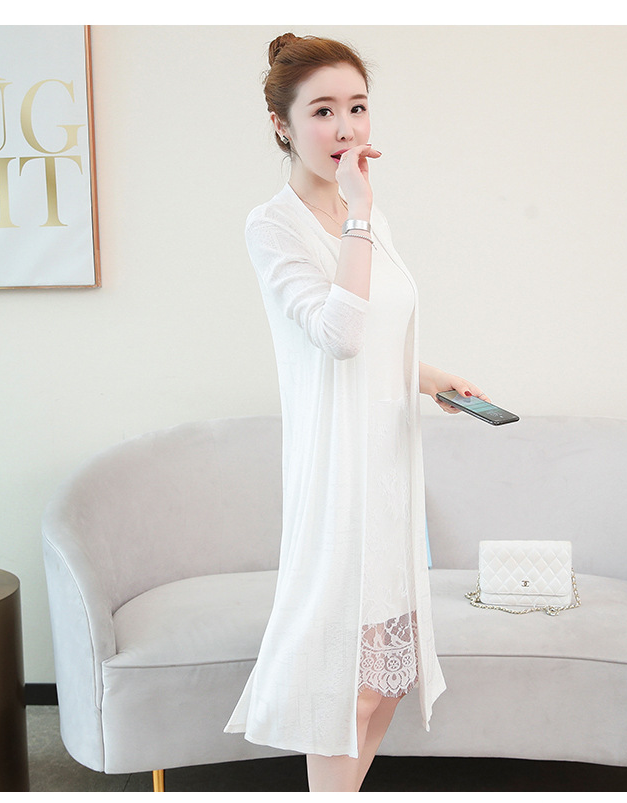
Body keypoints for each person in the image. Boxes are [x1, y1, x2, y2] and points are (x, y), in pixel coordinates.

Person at [225, 33, 491, 792]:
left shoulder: (362, 212)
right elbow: (338, 336)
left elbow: (379, 331)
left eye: (357, 107)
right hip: (339, 471)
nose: (345, 128)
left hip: (388, 464)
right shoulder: (276, 224)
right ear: (282, 125)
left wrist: (431, 379)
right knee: (352, 686)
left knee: (390, 677)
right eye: (322, 111)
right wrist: (360, 218)